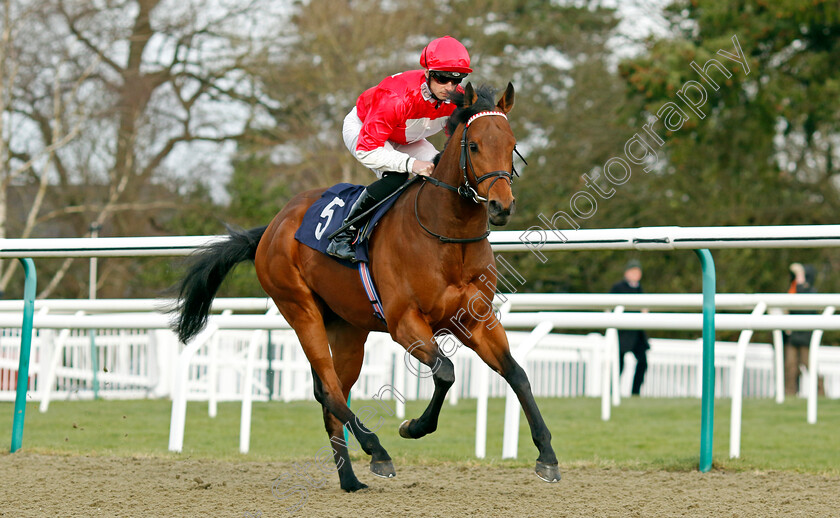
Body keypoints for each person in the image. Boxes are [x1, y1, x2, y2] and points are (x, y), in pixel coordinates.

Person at [326, 35, 472, 261]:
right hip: (366, 130)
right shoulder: (395, 97)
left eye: (457, 80)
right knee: (397, 175)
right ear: (428, 73)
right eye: (443, 79)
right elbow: (368, 150)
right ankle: (344, 234)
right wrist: (413, 164)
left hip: (407, 137)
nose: (450, 88)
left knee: (444, 172)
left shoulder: (456, 99)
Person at [610, 259, 650, 396]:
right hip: (623, 333)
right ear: (627, 272)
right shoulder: (618, 288)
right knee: (618, 364)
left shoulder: (640, 289)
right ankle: (612, 392)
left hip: (637, 333)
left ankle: (635, 392)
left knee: (643, 362)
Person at [784, 262, 820, 396]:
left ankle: (821, 393)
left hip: (806, 336)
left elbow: (805, 310)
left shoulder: (811, 291)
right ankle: (790, 394)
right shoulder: (793, 288)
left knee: (810, 365)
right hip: (793, 336)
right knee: (790, 367)